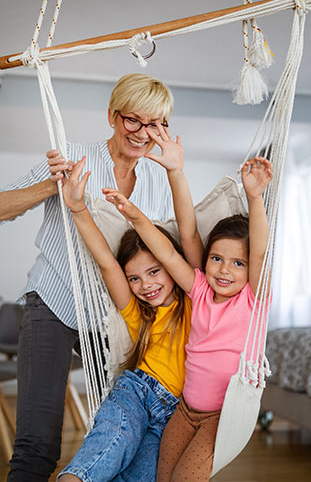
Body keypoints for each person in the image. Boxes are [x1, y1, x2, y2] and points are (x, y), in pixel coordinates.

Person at [0, 73, 176, 482]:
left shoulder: (157, 179)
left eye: (154, 124)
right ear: (113, 116)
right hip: (53, 303)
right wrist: (52, 185)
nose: (142, 133)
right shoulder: (73, 156)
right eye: (134, 120)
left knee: (118, 435)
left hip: (111, 317)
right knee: (37, 445)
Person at [104, 123, 273, 482]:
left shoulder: (252, 301)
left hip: (220, 419)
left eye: (237, 263)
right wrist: (135, 217)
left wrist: (254, 198)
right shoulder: (198, 290)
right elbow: (169, 249)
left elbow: (259, 250)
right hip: (183, 411)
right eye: (217, 259)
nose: (224, 270)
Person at [56, 151, 192, 481]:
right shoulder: (137, 313)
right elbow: (105, 261)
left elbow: (187, 236)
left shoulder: (193, 300)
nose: (145, 285)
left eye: (155, 271)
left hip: (173, 416)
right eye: (135, 278)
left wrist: (175, 172)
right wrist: (77, 208)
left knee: (140, 475)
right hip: (136, 391)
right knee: (111, 443)